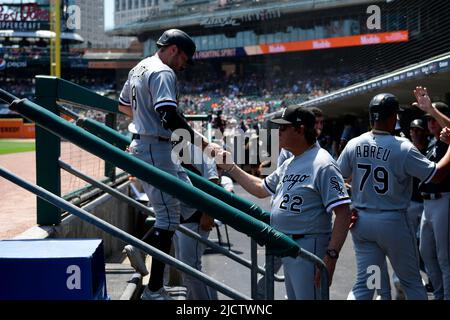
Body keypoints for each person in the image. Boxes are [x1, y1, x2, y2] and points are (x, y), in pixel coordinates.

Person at [117, 29, 220, 300]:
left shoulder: (139, 67)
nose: (185, 65)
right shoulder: (163, 71)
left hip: (152, 144)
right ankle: (153, 287)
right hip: (156, 148)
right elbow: (169, 117)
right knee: (168, 218)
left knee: (190, 203)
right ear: (173, 49)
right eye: (185, 58)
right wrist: (203, 145)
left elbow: (124, 106)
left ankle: (144, 252)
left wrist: (143, 121)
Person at [217, 105, 352, 300]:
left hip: (309, 244)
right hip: (288, 245)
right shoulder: (291, 162)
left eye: (283, 128)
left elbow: (343, 212)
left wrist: (331, 256)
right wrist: (231, 167)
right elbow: (260, 188)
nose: (278, 132)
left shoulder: (323, 163)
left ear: (300, 129)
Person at [337, 92, 450, 300]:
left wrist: (351, 203)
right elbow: (436, 175)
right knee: (411, 283)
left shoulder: (355, 143)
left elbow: (335, 180)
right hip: (392, 222)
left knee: (367, 283)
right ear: (391, 118)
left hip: (362, 221)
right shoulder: (403, 147)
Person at [413, 87, 450, 300]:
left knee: (445, 257)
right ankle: (439, 294)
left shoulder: (448, 140)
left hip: (443, 200)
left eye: (434, 119)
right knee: (427, 254)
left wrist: (433, 110)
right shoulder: (434, 143)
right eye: (429, 119)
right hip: (428, 204)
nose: (431, 123)